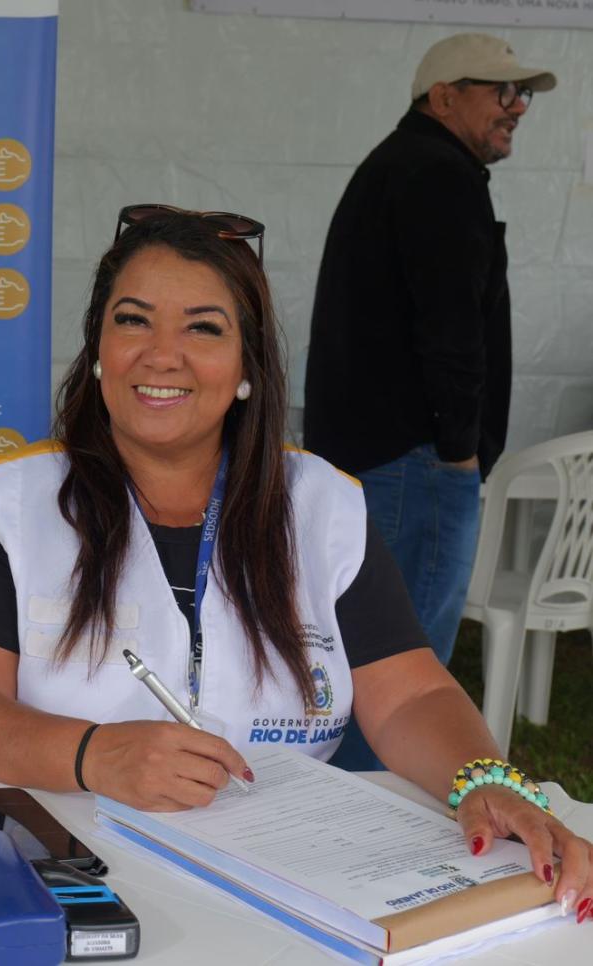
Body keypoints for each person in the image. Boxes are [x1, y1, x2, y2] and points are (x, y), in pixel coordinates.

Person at [0, 206, 592, 920]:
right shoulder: (19, 503)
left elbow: (410, 696)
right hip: (64, 872)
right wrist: (94, 755)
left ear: (247, 367)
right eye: (133, 320)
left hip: (282, 885)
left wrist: (484, 780)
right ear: (97, 348)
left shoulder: (321, 509)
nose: (161, 354)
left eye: (203, 327)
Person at [303, 35, 555, 771]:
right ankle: (363, 844)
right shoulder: (436, 176)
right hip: (415, 464)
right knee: (402, 673)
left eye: (523, 95)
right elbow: (452, 331)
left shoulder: (406, 168)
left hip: (386, 461)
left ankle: (343, 826)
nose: (516, 107)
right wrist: (458, 450)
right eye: (498, 91)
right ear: (442, 95)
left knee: (366, 658)